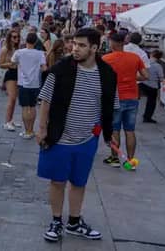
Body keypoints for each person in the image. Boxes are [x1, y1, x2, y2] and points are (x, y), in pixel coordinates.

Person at [36, 28, 118, 243]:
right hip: (59, 136)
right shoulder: (61, 69)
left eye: (81, 45)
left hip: (87, 139)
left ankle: (74, 221)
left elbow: (109, 107)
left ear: (94, 47)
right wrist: (42, 128)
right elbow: (45, 99)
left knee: (79, 182)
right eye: (74, 44)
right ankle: (56, 221)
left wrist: (109, 134)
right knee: (57, 181)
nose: (75, 48)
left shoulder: (107, 74)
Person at [102, 32, 147, 168]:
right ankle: (130, 160)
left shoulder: (106, 58)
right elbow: (146, 76)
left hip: (116, 98)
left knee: (115, 129)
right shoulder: (135, 57)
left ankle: (114, 158)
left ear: (114, 43)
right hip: (132, 97)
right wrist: (132, 77)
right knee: (130, 130)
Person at [12, 32, 47, 139]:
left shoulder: (19, 52)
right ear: (36, 41)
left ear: (26, 40)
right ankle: (31, 130)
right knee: (32, 107)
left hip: (23, 83)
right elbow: (44, 68)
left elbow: (13, 62)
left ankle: (27, 131)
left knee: (25, 108)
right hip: (35, 83)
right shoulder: (40, 53)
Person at [0, 28, 21, 131]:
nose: (16, 38)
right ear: (9, 38)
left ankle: (10, 120)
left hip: (18, 74)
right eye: (14, 37)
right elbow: (0, 64)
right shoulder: (5, 49)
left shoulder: (17, 49)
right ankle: (7, 122)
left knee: (14, 99)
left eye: (18, 36)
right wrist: (11, 64)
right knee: (11, 98)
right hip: (10, 74)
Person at [141, 50, 164, 124]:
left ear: (152, 55)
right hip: (152, 86)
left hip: (143, 83)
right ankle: (147, 117)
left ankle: (146, 115)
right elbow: (161, 77)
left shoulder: (144, 62)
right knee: (151, 102)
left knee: (149, 101)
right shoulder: (158, 66)